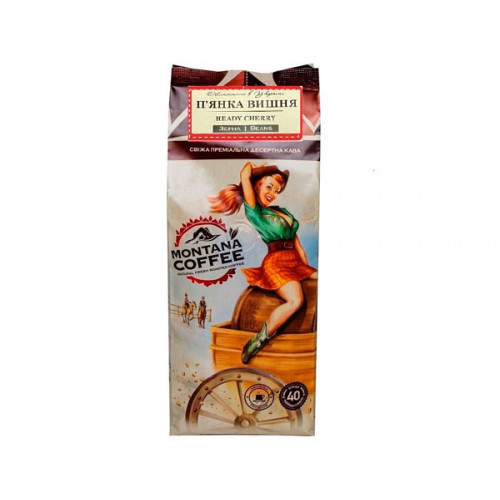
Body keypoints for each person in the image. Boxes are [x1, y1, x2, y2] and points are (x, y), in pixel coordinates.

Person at [208, 162, 317, 363]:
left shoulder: (281, 211)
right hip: (276, 263)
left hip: (295, 261)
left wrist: (307, 269)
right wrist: (257, 167)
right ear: (257, 185)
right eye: (269, 186)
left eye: (277, 190)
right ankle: (257, 341)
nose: (273, 193)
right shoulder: (255, 212)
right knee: (295, 301)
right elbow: (245, 173)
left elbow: (298, 245)